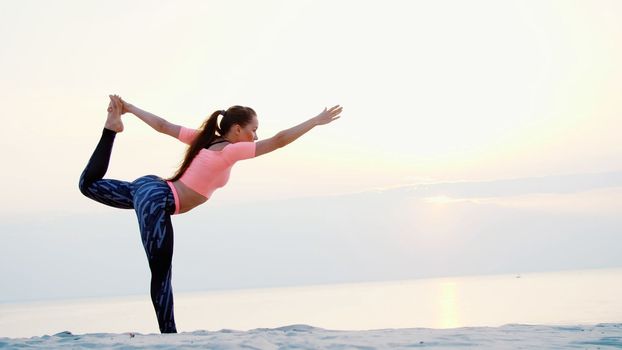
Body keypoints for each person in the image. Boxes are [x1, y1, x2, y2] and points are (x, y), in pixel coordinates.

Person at [78, 94, 343, 333]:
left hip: (152, 189)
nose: (256, 136)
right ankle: (169, 337)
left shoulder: (204, 140)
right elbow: (280, 140)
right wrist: (315, 121)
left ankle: (111, 130)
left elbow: (164, 126)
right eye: (254, 130)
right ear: (237, 129)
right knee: (161, 272)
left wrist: (131, 108)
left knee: (88, 185)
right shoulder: (230, 150)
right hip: (158, 198)